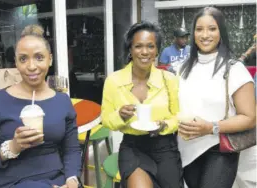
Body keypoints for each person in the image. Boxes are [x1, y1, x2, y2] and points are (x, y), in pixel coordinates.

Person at [0, 25, 81, 188]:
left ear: (50, 59)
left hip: (57, 180)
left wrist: (72, 180)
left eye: (39, 57)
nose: (31, 66)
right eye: (23, 59)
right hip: (10, 182)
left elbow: (71, 150)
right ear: (16, 62)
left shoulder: (62, 101)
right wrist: (11, 148)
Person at [177, 7, 256, 188]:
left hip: (219, 149)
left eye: (212, 29)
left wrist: (210, 127)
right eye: (199, 29)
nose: (205, 35)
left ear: (221, 31)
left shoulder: (234, 69)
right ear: (193, 33)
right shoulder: (182, 69)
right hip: (186, 149)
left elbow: (250, 118)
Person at [101, 21, 183, 188]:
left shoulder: (169, 80)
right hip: (133, 147)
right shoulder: (114, 81)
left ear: (157, 50)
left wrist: (164, 125)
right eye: (138, 46)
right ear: (130, 49)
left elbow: (179, 117)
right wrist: (120, 115)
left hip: (165, 148)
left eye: (150, 46)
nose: (144, 52)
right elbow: (106, 119)